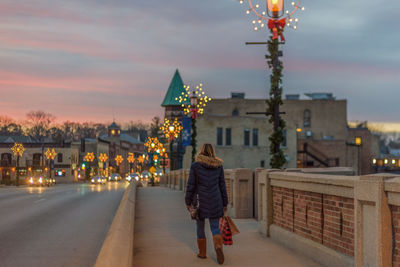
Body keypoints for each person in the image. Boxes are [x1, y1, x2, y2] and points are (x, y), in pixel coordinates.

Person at [185, 143, 228, 265]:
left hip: (200, 202)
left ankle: (202, 253)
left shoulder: (196, 166)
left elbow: (191, 185)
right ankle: (218, 246)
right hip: (215, 200)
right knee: (215, 227)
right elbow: (222, 186)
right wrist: (225, 202)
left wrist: (188, 201)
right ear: (212, 152)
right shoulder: (218, 166)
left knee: (200, 227)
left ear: (201, 151)